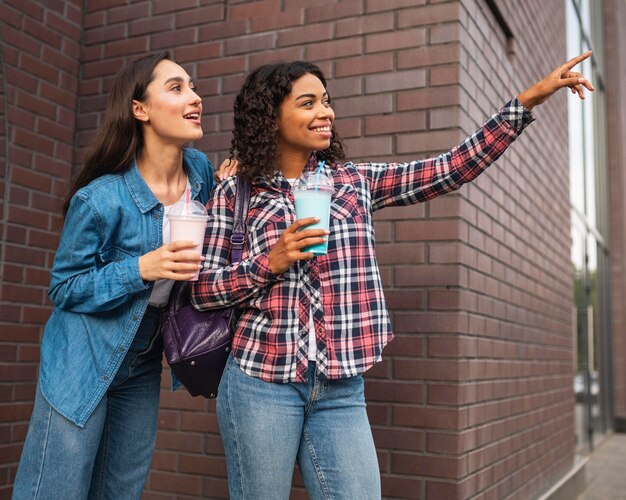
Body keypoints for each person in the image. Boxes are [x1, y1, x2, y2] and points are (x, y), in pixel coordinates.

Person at [191, 53, 594, 499]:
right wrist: (270, 261)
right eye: (309, 103)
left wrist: (529, 100)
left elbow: (453, 168)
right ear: (271, 116)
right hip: (259, 383)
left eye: (326, 101)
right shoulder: (236, 190)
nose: (327, 112)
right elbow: (204, 290)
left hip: (340, 387)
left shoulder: (354, 182)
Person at [12, 52, 235, 499]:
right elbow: (64, 287)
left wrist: (229, 188)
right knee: (56, 489)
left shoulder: (201, 172)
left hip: (144, 355)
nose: (195, 98)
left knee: (121, 490)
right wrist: (140, 268)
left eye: (192, 87)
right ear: (140, 109)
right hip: (83, 353)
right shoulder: (100, 200)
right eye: (176, 88)